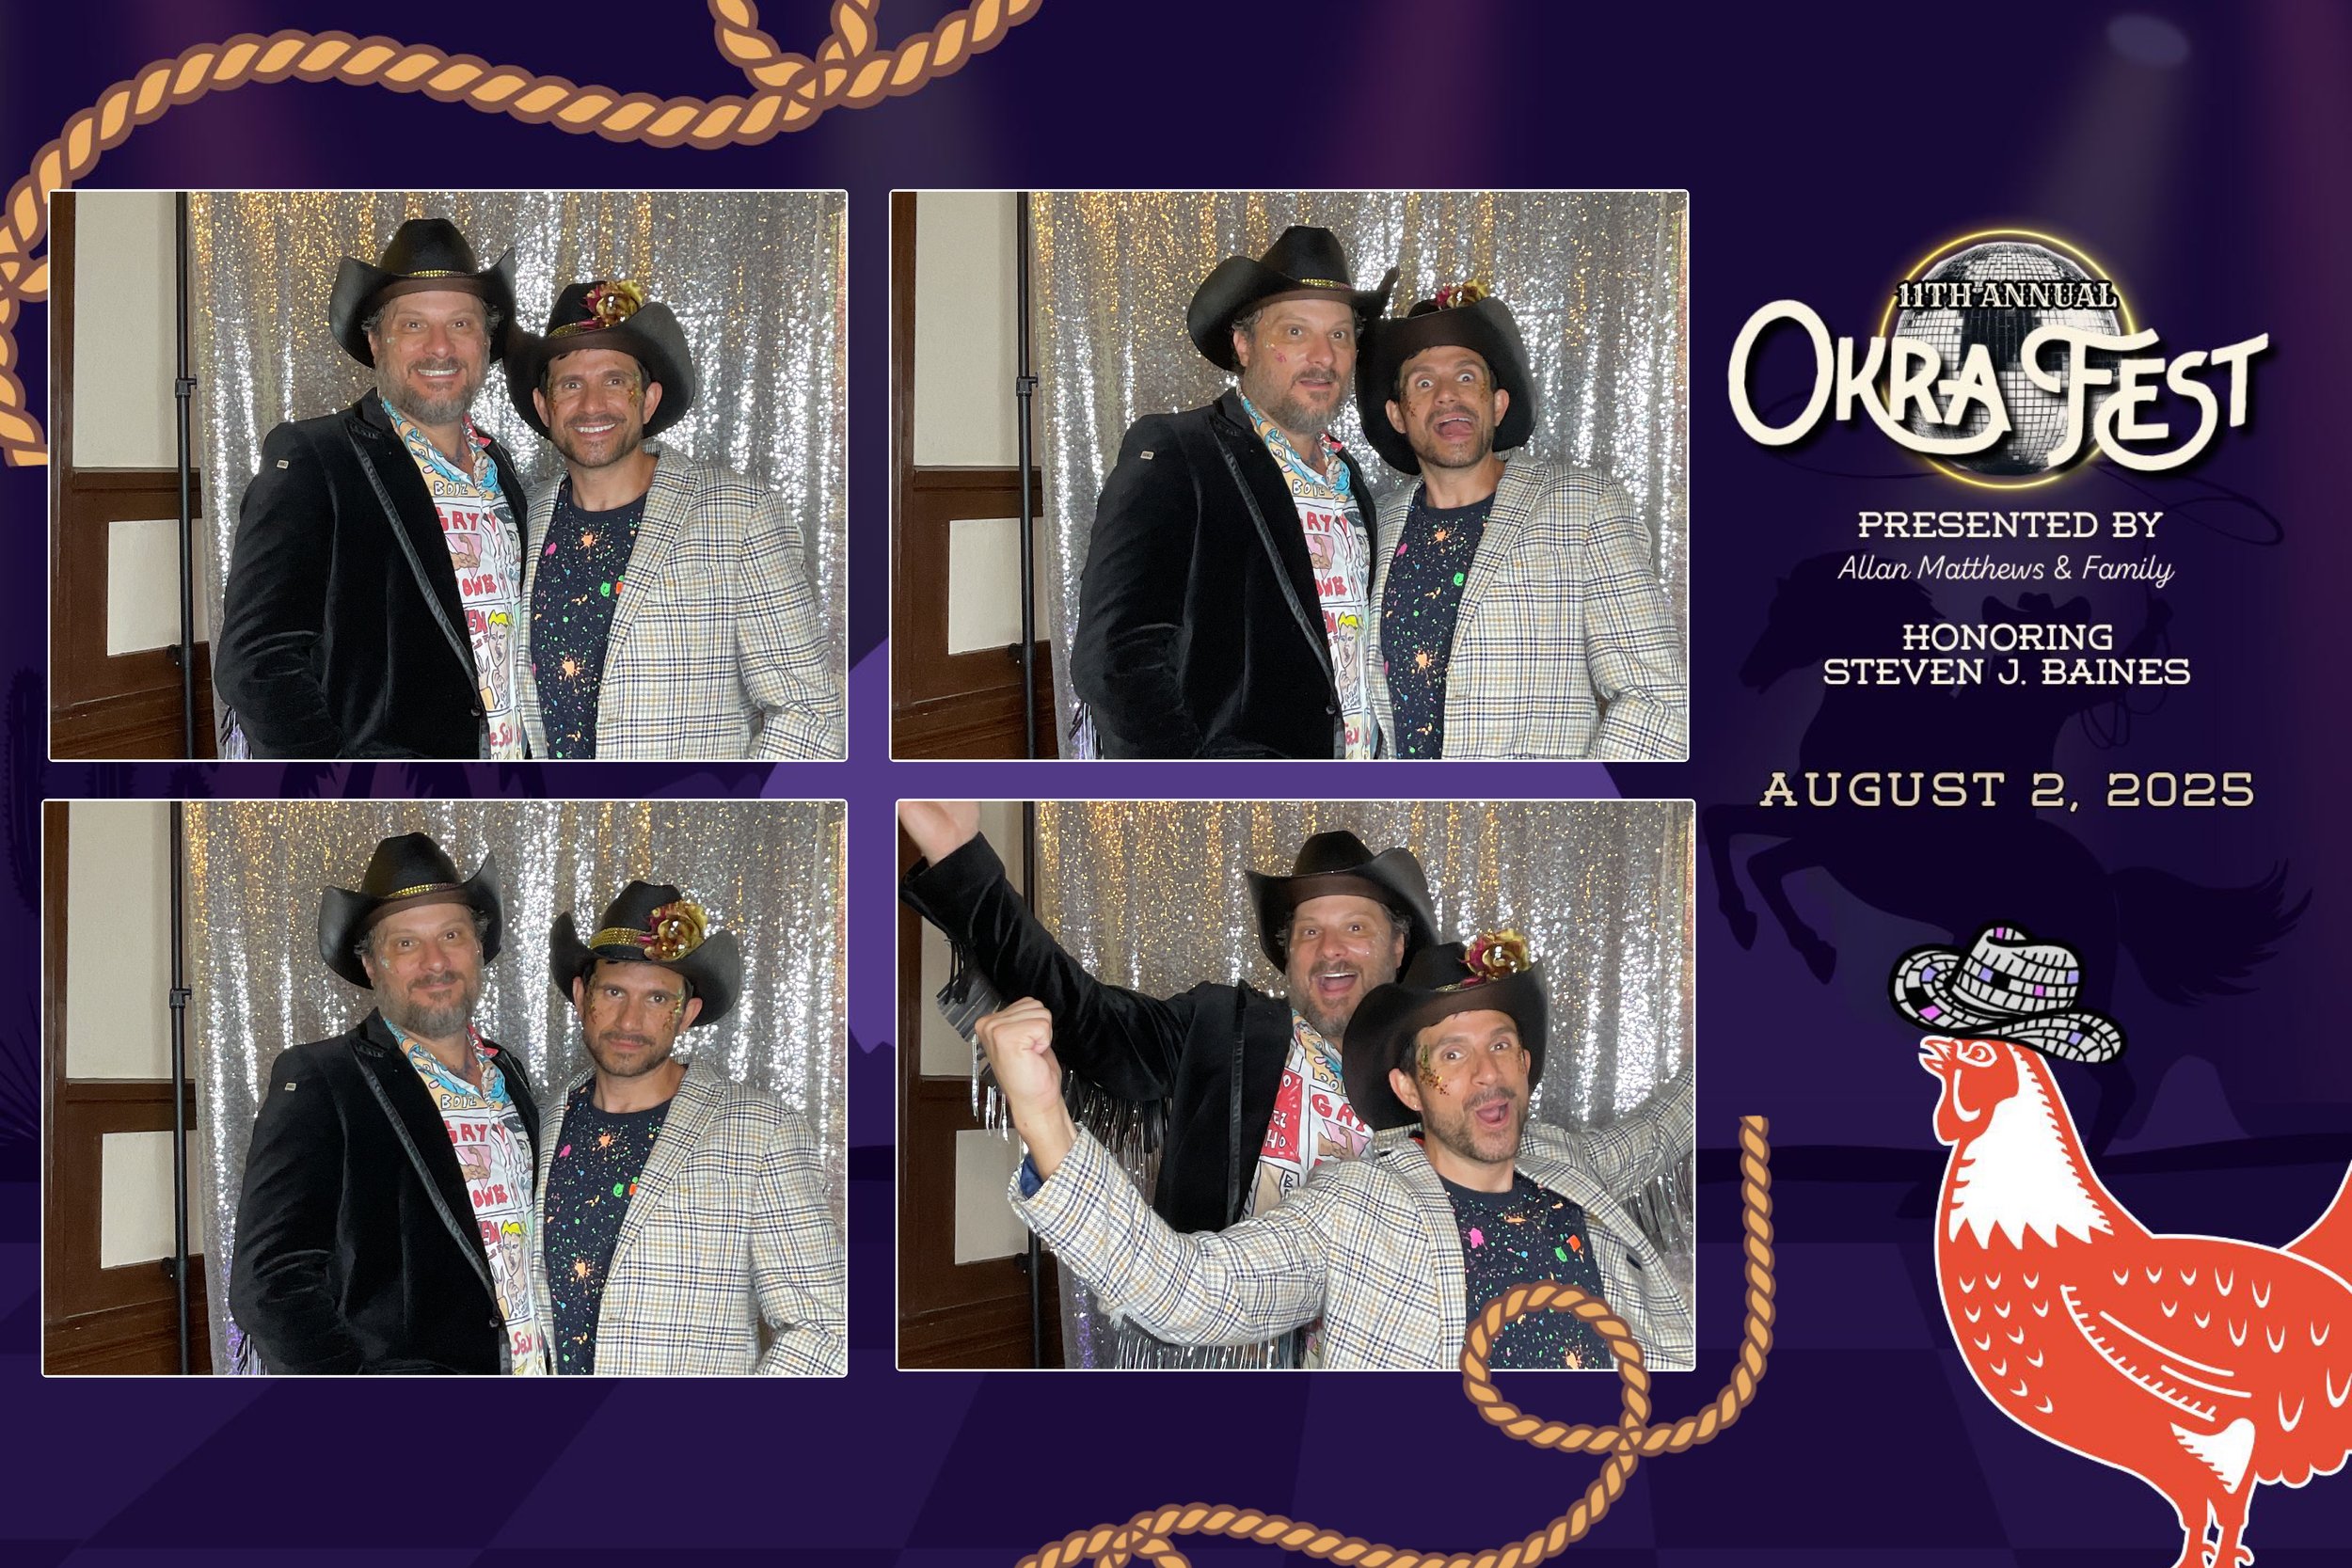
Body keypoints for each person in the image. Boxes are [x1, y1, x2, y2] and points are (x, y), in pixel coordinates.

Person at [978, 933, 1695, 1371]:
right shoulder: (1354, 1208)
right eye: (1454, 1052)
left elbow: (1668, 1123)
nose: (1487, 1073)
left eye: (1501, 1044)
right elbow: (1191, 1292)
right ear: (1408, 1088)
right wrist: (1044, 1113)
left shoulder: (1563, 1159)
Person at [898, 800, 1437, 1235]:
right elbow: (1086, 1017)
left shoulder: (1446, 1055)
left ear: (1397, 945)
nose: (1330, 950)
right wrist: (962, 862)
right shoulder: (1226, 1028)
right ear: (1289, 953)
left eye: (1356, 929)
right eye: (1309, 931)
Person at [1070, 227, 1396, 758]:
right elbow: (1116, 658)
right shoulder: (1177, 451)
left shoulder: (1350, 479)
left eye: (1339, 335)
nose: (1323, 356)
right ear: (1243, 345)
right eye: (1295, 332)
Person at [229, 832, 547, 1373]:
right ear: (372, 965)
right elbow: (270, 1284)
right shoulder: (321, 1078)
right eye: (405, 943)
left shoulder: (508, 1070)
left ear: (479, 947)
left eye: (451, 934)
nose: (434, 961)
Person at [215, 218, 532, 759]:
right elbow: (257, 661)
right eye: (413, 325)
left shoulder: (500, 467)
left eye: (461, 324)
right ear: (375, 339)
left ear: (486, 342)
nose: (440, 348)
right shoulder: (316, 458)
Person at [504, 279, 843, 760]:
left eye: (615, 381)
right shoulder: (521, 517)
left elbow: (808, 714)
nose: (593, 404)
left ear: (648, 400)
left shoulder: (739, 513)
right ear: (545, 407)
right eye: (571, 384)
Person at [1356, 284, 1688, 760]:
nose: (1448, 396)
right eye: (1424, 383)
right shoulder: (1375, 524)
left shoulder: (1583, 504)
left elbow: (1658, 702)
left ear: (1498, 404)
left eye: (1467, 377)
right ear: (1397, 415)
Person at [529, 881, 847, 1374]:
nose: (629, 1019)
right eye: (613, 991)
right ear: (580, 996)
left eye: (657, 998)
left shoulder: (763, 1132)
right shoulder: (543, 1121)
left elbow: (826, 1329)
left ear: (687, 1015)